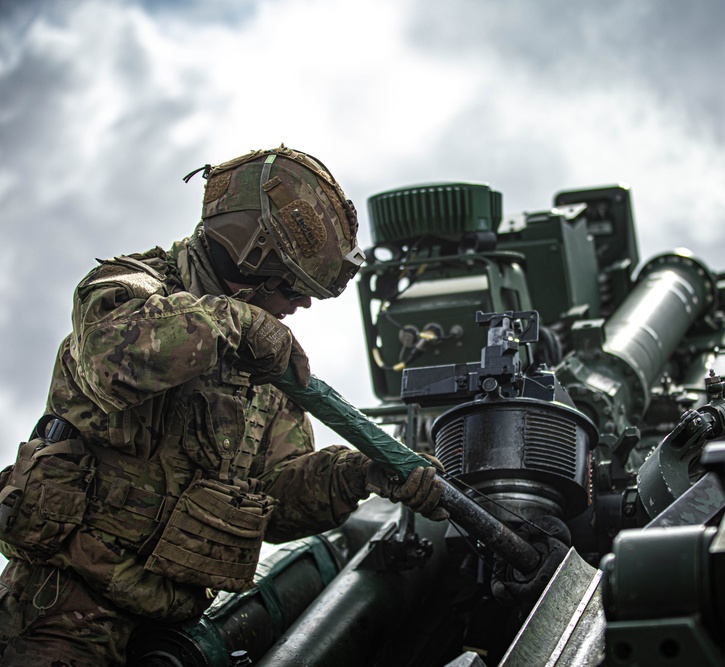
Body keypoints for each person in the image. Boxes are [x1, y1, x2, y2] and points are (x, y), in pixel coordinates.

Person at [0, 146, 446, 666]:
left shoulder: (266, 366)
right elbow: (109, 359)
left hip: (179, 634)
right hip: (62, 618)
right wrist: (238, 324)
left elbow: (275, 502)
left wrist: (359, 474)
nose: (299, 306)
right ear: (251, 259)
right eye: (292, 287)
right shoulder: (132, 289)